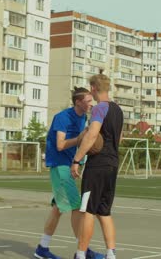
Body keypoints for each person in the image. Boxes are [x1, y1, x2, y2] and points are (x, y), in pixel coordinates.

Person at [34, 87, 100, 259]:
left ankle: (42, 248)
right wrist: (79, 139)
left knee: (58, 209)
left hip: (68, 166)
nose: (91, 104)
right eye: (88, 101)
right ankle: (83, 250)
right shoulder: (62, 117)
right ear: (78, 102)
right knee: (76, 206)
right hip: (59, 165)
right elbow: (60, 145)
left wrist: (81, 157)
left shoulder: (83, 118)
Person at [71, 73, 124, 259]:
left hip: (97, 166)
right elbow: (119, 138)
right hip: (112, 164)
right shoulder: (118, 110)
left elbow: (92, 135)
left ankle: (80, 254)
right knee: (104, 212)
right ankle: (111, 254)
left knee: (87, 211)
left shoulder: (99, 108)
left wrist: (76, 159)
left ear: (93, 88)